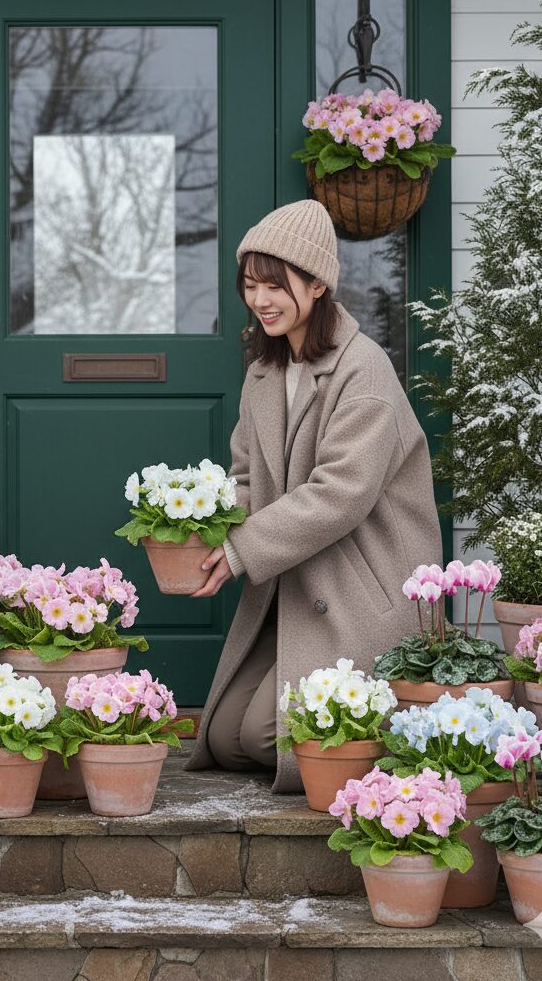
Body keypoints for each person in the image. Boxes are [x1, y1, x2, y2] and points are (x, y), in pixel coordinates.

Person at [184, 199, 441, 793]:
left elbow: (340, 494)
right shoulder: (265, 370)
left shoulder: (364, 371)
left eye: (275, 286)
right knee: (223, 739)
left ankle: (394, 726)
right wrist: (200, 528)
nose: (260, 301)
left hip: (359, 588)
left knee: (262, 741)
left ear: (318, 282)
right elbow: (246, 474)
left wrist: (242, 551)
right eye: (250, 285)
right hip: (297, 584)